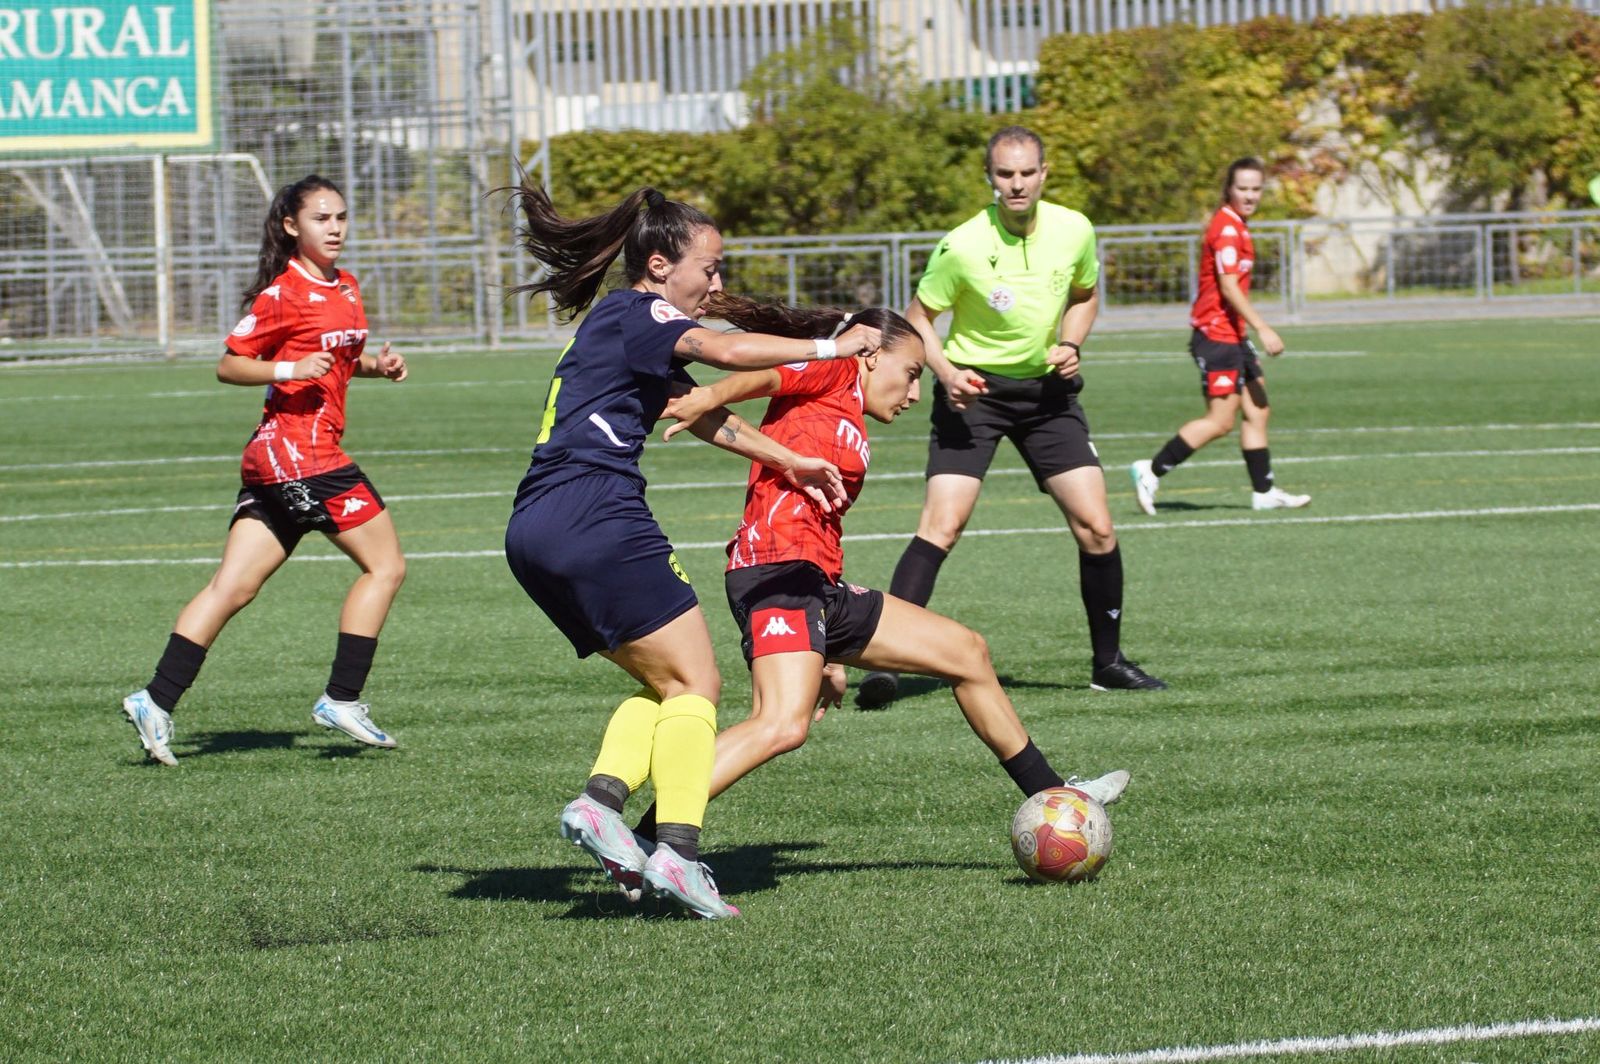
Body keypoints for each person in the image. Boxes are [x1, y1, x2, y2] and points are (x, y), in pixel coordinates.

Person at [616, 293, 1128, 872]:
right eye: (911, 373)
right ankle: (644, 840)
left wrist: (828, 649)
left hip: (815, 581)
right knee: (781, 724)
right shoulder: (836, 365)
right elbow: (767, 375)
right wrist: (712, 395)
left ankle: (1056, 795)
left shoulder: (848, 407)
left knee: (967, 653)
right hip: (777, 570)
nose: (914, 393)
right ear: (871, 355)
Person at [503, 184, 883, 920]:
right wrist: (834, 346)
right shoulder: (639, 312)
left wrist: (788, 461)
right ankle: (676, 852)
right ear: (658, 265)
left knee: (667, 684)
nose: (716, 283)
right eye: (707, 268)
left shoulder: (625, 329)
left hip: (536, 528)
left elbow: (699, 412)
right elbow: (727, 351)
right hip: (597, 512)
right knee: (698, 684)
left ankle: (601, 805)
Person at [859, 125, 1165, 709]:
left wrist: (1071, 343)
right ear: (990, 178)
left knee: (1098, 527)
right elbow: (918, 315)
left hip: (1049, 397)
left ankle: (1108, 664)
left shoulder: (1075, 229)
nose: (1017, 184)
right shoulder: (963, 244)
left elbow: (1085, 294)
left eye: (1027, 172)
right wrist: (947, 373)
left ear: (1044, 173)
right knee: (942, 526)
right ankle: (886, 663)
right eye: (1005, 174)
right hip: (974, 395)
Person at [121, 175, 410, 766]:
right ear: (291, 226)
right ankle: (342, 698)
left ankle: (155, 699)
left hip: (279, 461)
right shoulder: (283, 292)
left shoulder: (346, 285)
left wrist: (375, 368)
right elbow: (230, 365)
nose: (334, 228)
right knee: (385, 567)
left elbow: (334, 362)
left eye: (341, 217)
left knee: (233, 587)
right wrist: (287, 369)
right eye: (321, 218)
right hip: (303, 455)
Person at [1130, 157, 1311, 514]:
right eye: (1242, 188)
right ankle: (1150, 470)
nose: (1250, 195)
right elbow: (1228, 286)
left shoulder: (1238, 225)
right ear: (1229, 189)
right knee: (1221, 421)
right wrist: (1263, 327)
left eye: (1256, 189)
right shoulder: (1226, 229)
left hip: (1234, 334)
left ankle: (1264, 492)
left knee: (1258, 409)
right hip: (1216, 335)